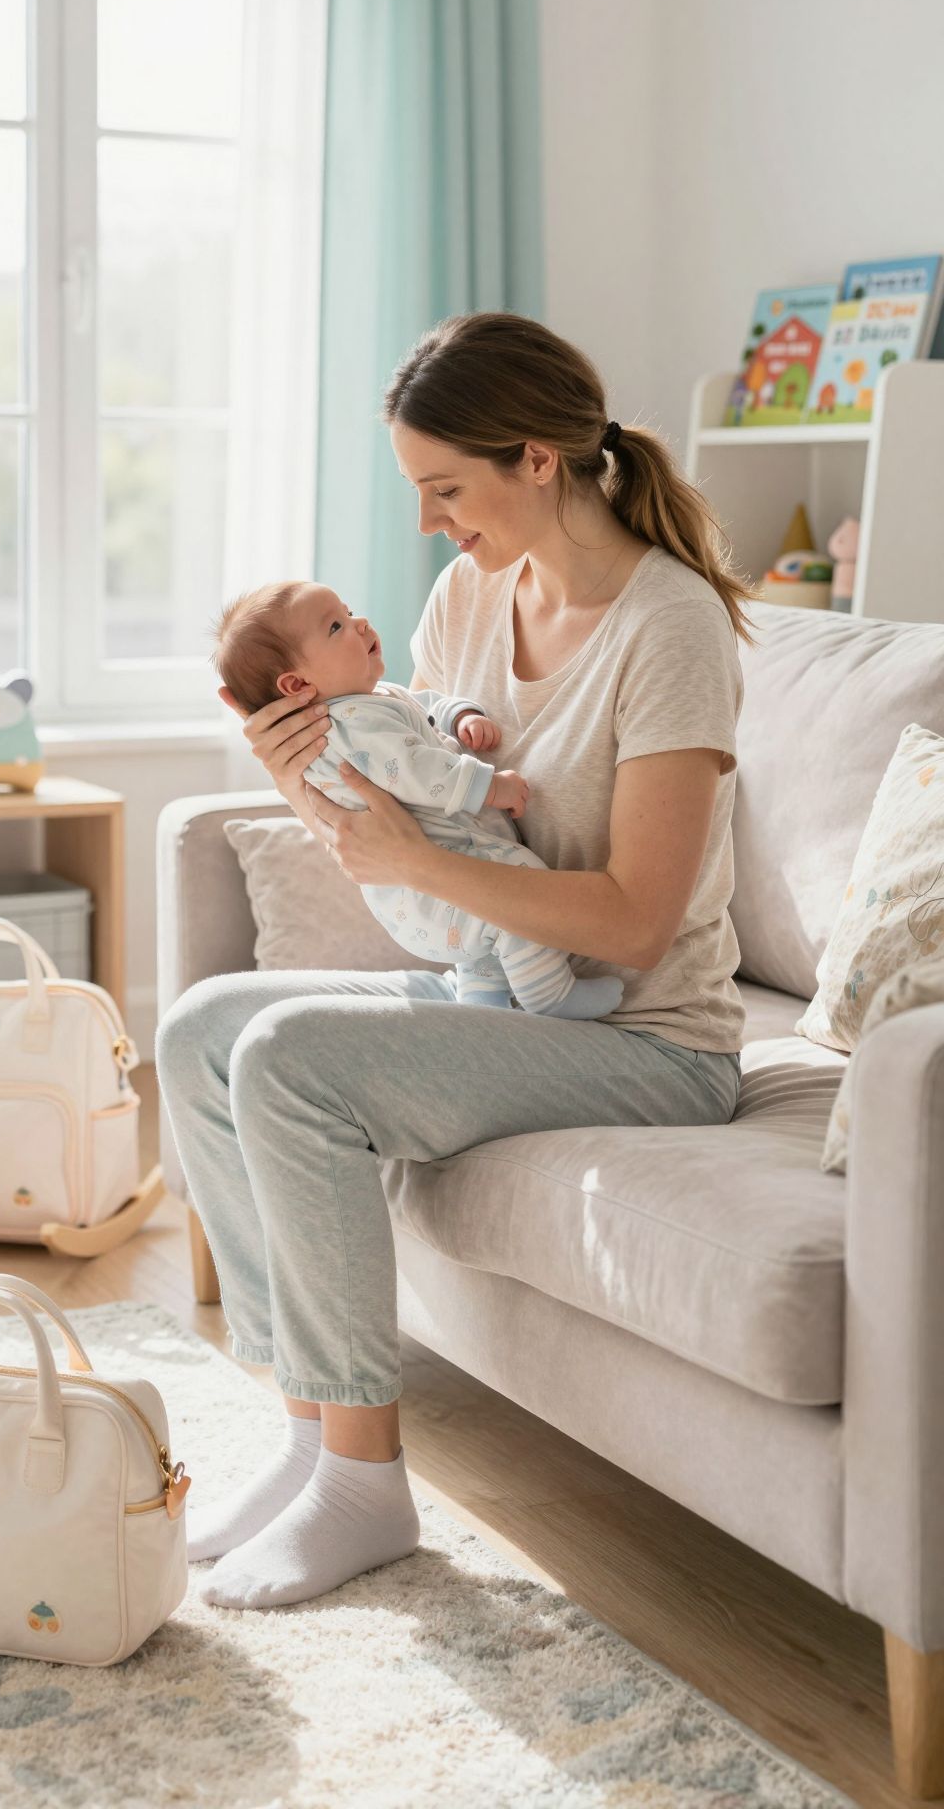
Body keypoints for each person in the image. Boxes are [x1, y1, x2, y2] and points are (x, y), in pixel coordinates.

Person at [155, 310, 758, 1613]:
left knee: (292, 1061)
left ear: (537, 460)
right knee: (204, 1029)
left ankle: (366, 1485)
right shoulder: (468, 597)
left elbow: (637, 925)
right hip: (498, 987)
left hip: (645, 1036)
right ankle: (311, 1434)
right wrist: (305, 787)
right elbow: (401, 827)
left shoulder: (671, 631)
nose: (429, 524)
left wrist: (411, 858)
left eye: (444, 490)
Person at [207, 575, 626, 1016]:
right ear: (296, 686)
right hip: (427, 894)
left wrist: (460, 714)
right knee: (520, 879)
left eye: (348, 612)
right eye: (336, 627)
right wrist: (490, 787)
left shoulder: (370, 701)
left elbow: (422, 706)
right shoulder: (347, 727)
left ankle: (484, 1006)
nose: (360, 622)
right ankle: (549, 995)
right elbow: (419, 772)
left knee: (487, 936)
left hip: (430, 882)